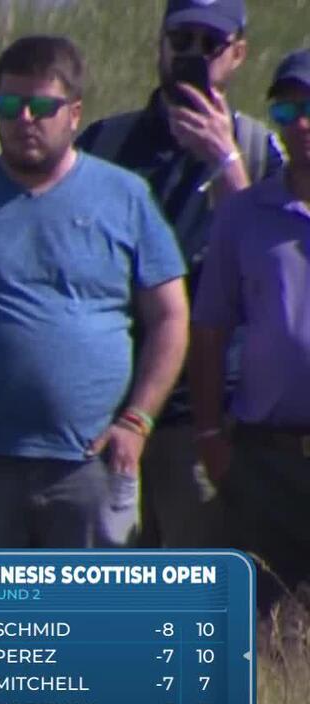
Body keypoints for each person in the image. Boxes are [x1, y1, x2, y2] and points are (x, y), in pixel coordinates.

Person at [0, 36, 189, 626]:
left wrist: (136, 421)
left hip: (90, 466)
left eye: (43, 108)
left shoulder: (124, 197)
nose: (24, 121)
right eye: (9, 107)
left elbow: (171, 316)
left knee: (93, 638)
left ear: (74, 113)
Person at [77, 0, 282, 550]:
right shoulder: (105, 143)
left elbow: (272, 266)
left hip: (204, 410)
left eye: (209, 45)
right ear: (160, 45)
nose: (191, 55)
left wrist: (224, 161)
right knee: (108, 592)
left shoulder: (261, 152)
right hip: (107, 406)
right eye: (181, 40)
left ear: (237, 54)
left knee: (192, 590)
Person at [191, 49, 310, 646]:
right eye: (288, 108)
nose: (301, 122)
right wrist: (211, 435)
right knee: (271, 626)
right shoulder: (243, 215)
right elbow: (209, 330)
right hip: (268, 454)